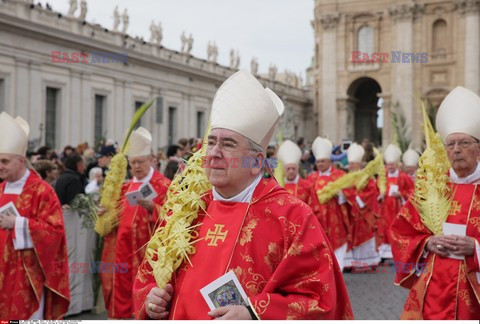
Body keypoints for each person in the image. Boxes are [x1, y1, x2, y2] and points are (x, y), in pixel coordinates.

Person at [133, 70, 353, 320]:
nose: (214, 152)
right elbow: (148, 275)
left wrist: (252, 312)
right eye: (211, 142)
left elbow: (319, 299)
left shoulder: (291, 217)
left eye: (228, 144)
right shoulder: (186, 207)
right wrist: (151, 298)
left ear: (256, 162)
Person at [391, 86, 480, 319]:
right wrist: (427, 242)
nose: (457, 150)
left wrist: (476, 249)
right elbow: (402, 232)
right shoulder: (431, 187)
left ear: (478, 149)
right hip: (433, 288)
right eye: (451, 144)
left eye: (464, 143)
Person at [0, 112, 69, 319]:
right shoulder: (0, 188)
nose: (0, 166)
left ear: (21, 161)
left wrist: (18, 223)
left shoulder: (42, 191)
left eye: (5, 161)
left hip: (27, 272)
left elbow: (55, 231)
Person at [101, 127, 171, 319]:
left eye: (140, 162)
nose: (137, 167)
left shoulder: (163, 185)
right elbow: (115, 217)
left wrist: (153, 209)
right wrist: (105, 214)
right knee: (121, 293)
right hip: (121, 251)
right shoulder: (125, 187)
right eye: (133, 163)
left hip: (146, 254)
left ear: (151, 160)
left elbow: (175, 218)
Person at [307, 136, 350, 271]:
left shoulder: (339, 175)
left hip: (334, 216)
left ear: (329, 161)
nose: (320, 164)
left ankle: (338, 270)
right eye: (318, 161)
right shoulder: (311, 177)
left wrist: (341, 194)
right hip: (317, 217)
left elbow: (349, 194)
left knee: (336, 243)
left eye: (323, 161)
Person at [341, 143, 380, 269]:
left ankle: (366, 262)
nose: (350, 166)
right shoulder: (346, 177)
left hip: (364, 212)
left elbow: (372, 191)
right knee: (350, 234)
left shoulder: (366, 177)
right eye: (350, 163)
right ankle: (351, 262)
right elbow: (344, 189)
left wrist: (357, 198)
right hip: (351, 211)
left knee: (365, 234)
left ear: (359, 164)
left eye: (353, 164)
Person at [377, 144, 414, 260]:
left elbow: (413, 191)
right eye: (388, 165)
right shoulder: (383, 177)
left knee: (397, 229)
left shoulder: (403, 177)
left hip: (398, 209)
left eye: (392, 164)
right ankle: (384, 253)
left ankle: (397, 251)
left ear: (397, 164)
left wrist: (401, 195)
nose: (390, 167)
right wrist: (380, 195)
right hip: (385, 209)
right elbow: (376, 189)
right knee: (384, 228)